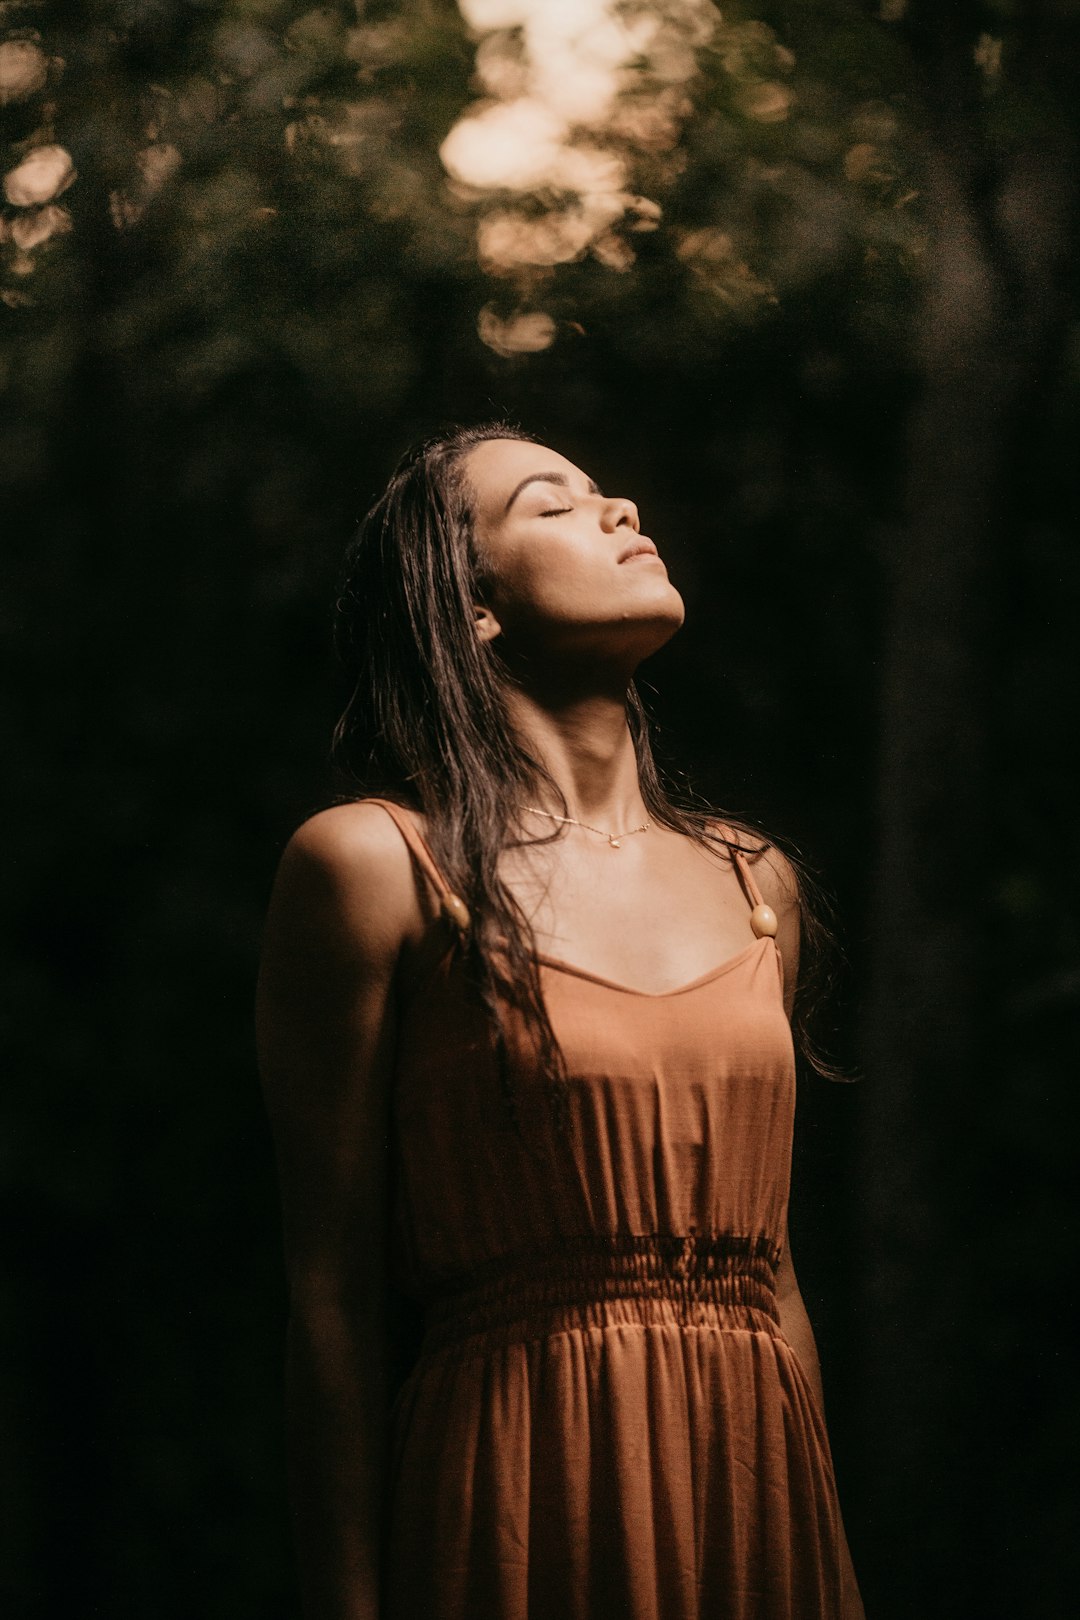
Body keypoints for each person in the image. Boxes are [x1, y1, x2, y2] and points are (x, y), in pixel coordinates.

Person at [256, 423, 865, 1620]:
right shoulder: (373, 867)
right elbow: (333, 1297)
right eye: (554, 504)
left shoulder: (757, 883)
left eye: (607, 493)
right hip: (520, 1489)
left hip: (754, 1494)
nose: (621, 508)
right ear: (470, 604)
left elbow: (776, 1274)